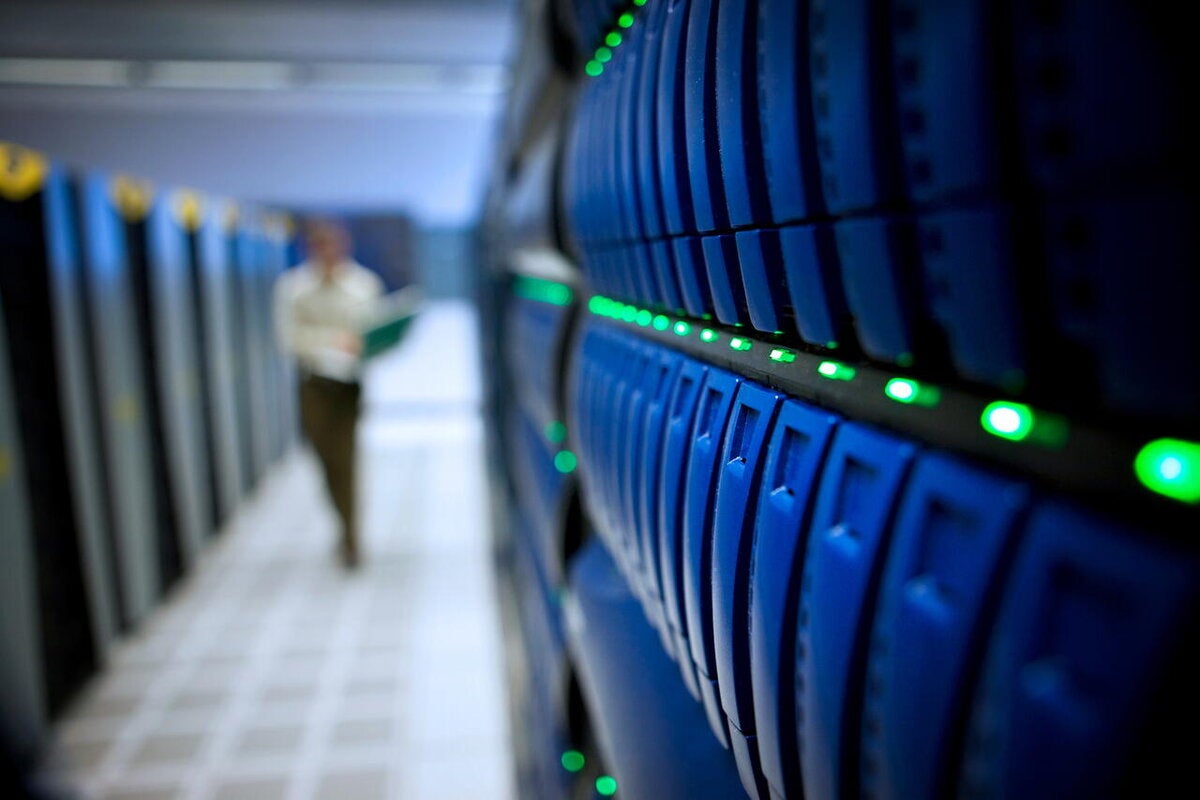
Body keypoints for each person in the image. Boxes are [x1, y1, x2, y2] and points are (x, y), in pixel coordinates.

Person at [274, 219, 383, 568]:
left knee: (347, 460)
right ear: (311, 250)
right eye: (321, 248)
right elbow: (289, 339)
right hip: (314, 385)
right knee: (326, 460)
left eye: (334, 247)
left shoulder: (363, 285)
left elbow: (374, 332)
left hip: (348, 384)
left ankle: (351, 539)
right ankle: (343, 523)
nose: (329, 255)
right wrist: (332, 341)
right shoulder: (294, 288)